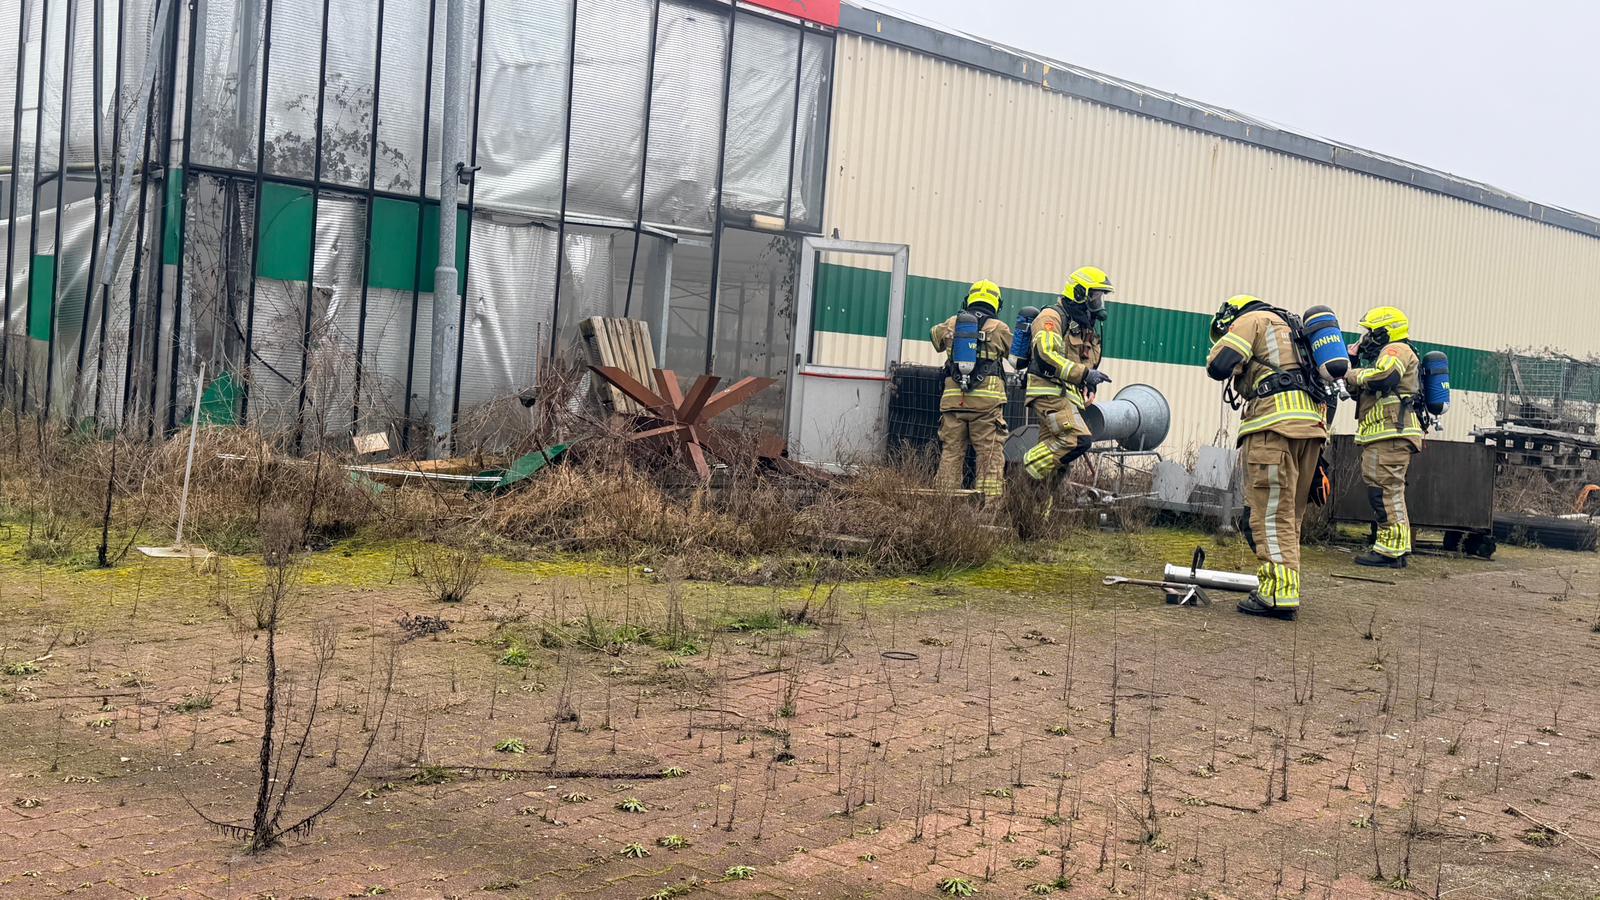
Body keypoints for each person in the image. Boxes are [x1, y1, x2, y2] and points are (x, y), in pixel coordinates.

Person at [1205, 295, 1330, 619]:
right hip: (1310, 430)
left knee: (1269, 516)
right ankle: (1282, 585)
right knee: (1290, 517)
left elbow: (1219, 364)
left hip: (1273, 428)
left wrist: (1226, 354)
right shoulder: (1294, 329)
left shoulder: (1252, 320)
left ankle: (1278, 594)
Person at [1021, 266, 1114, 492]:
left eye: (1101, 297)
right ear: (1079, 293)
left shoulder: (1082, 327)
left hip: (1067, 397)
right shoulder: (1052, 317)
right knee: (1076, 440)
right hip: (1048, 392)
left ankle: (1035, 516)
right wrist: (1083, 374)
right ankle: (1022, 469)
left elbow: (1086, 361)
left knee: (1057, 466)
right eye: (1095, 296)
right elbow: (1046, 355)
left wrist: (1089, 381)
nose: (1099, 302)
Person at [1345, 306, 1424, 567]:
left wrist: (1354, 374)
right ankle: (1396, 547)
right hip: (1387, 432)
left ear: (1384, 331)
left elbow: (1384, 376)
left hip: (1391, 432)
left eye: (1369, 332)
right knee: (1390, 491)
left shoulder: (1395, 350)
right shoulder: (1392, 352)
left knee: (1384, 492)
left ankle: (1389, 551)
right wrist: (1352, 363)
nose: (1365, 338)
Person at [930, 280, 1012, 500]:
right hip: (987, 406)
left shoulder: (952, 323)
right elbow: (1015, 357)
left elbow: (934, 338)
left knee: (951, 454)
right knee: (989, 457)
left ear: (968, 300)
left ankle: (944, 508)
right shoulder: (1000, 328)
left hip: (953, 402)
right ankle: (988, 513)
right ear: (997, 304)